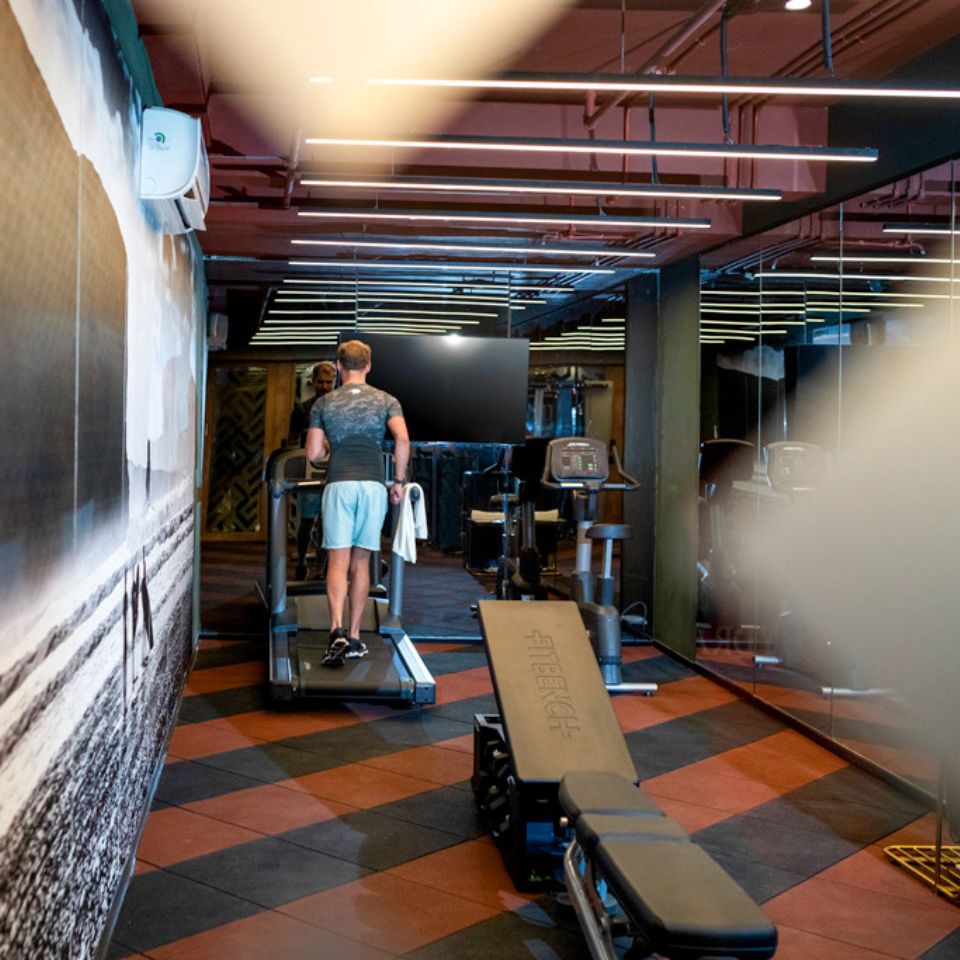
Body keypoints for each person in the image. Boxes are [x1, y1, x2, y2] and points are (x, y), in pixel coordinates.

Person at [306, 340, 409, 666]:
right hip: (372, 485)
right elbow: (402, 439)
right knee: (361, 561)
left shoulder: (324, 403)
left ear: (338, 366)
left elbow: (313, 454)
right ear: (368, 365)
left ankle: (334, 628)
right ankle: (353, 636)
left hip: (339, 484)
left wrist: (329, 452)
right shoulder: (386, 400)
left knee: (337, 559)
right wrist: (399, 482)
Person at [288, 361, 336, 580]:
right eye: (321, 382)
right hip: (309, 470)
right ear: (313, 382)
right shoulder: (302, 409)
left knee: (329, 521)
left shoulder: (340, 409)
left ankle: (321, 567)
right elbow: (291, 442)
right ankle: (301, 561)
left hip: (334, 472)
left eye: (329, 382)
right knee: (307, 521)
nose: (325, 386)